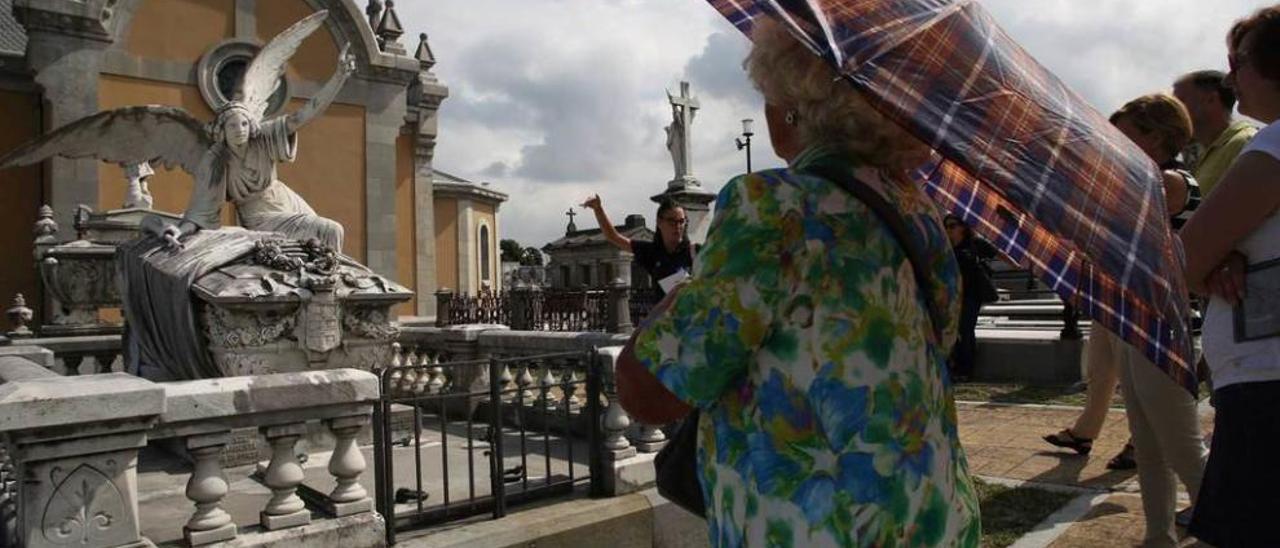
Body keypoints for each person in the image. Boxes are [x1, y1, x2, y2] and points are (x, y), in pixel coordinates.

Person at [615, 19, 979, 546]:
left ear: (792, 104)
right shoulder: (920, 214)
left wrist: (671, 306)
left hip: (815, 527)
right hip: (927, 514)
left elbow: (652, 391)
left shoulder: (772, 208)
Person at [1044, 95, 1206, 485]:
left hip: (1161, 322)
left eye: (1124, 133)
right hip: (1133, 314)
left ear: (1154, 137)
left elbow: (1112, 224)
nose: (1112, 140)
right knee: (1150, 445)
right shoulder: (1149, 178)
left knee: (1180, 445)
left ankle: (1223, 518)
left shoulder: (1168, 181)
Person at [1181, 6, 1280, 545]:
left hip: (1267, 382)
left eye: (1235, 62)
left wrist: (1214, 261)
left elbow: (1184, 258)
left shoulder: (1272, 147)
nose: (1230, 75)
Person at [580, 194, 693, 295]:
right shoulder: (652, 252)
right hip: (664, 316)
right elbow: (613, 237)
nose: (677, 226)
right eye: (671, 221)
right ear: (659, 222)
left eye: (681, 221)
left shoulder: (694, 252)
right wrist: (598, 209)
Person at [1173, 70, 1258, 196]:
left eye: (1180, 101)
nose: (1173, 110)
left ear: (1211, 99)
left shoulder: (1245, 144)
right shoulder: (1203, 155)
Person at [945, 214, 998, 382]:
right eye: (946, 226)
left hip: (971, 295)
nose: (949, 230)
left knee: (966, 330)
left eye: (953, 226)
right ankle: (955, 366)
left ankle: (966, 370)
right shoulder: (946, 248)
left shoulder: (974, 245)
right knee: (954, 332)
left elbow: (995, 253)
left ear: (963, 227)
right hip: (953, 295)